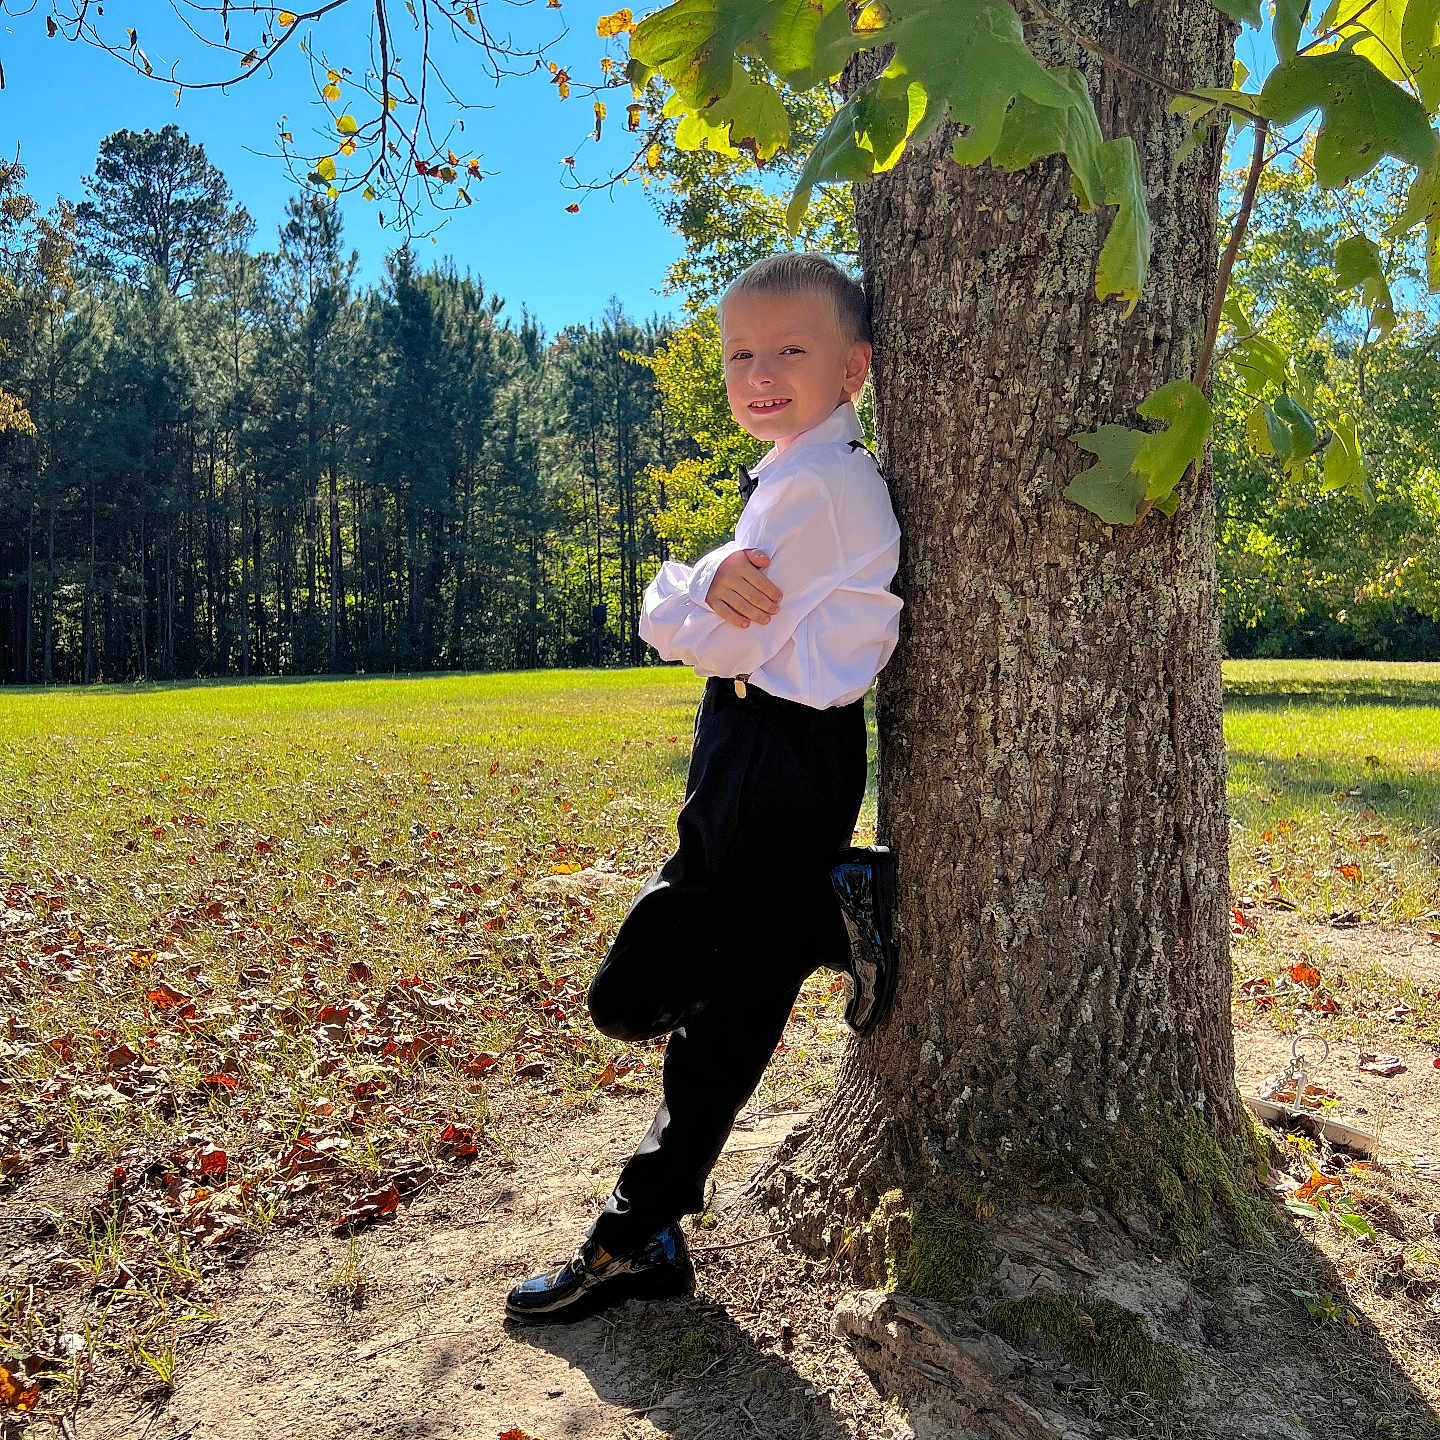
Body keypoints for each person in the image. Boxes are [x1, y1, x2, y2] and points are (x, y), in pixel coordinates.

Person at [505, 252, 903, 1325]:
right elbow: (708, 621)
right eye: (740, 354)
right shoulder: (794, 475)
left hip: (774, 757)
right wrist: (696, 588)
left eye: (790, 351)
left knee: (656, 998)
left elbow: (692, 630)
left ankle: (837, 902)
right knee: (712, 1007)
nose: (759, 374)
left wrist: (675, 591)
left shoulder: (817, 488)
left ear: (854, 368)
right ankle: (645, 1232)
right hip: (762, 745)